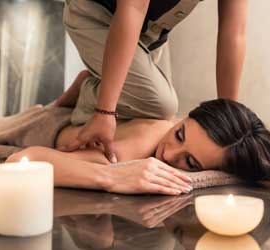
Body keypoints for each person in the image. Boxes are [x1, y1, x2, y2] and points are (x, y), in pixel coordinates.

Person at [7, 83, 270, 194]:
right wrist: (110, 177)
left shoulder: (174, 124)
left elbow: (89, 75)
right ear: (187, 116)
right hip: (32, 125)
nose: (169, 154)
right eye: (179, 135)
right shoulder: (133, 147)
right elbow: (22, 159)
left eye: (189, 162)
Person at [57, 0, 248, 162]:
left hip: (148, 37)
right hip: (96, 13)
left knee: (147, 116)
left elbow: (234, 32)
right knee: (161, 106)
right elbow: (133, 8)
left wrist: (228, 116)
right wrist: (104, 110)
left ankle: (98, 81)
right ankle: (89, 90)